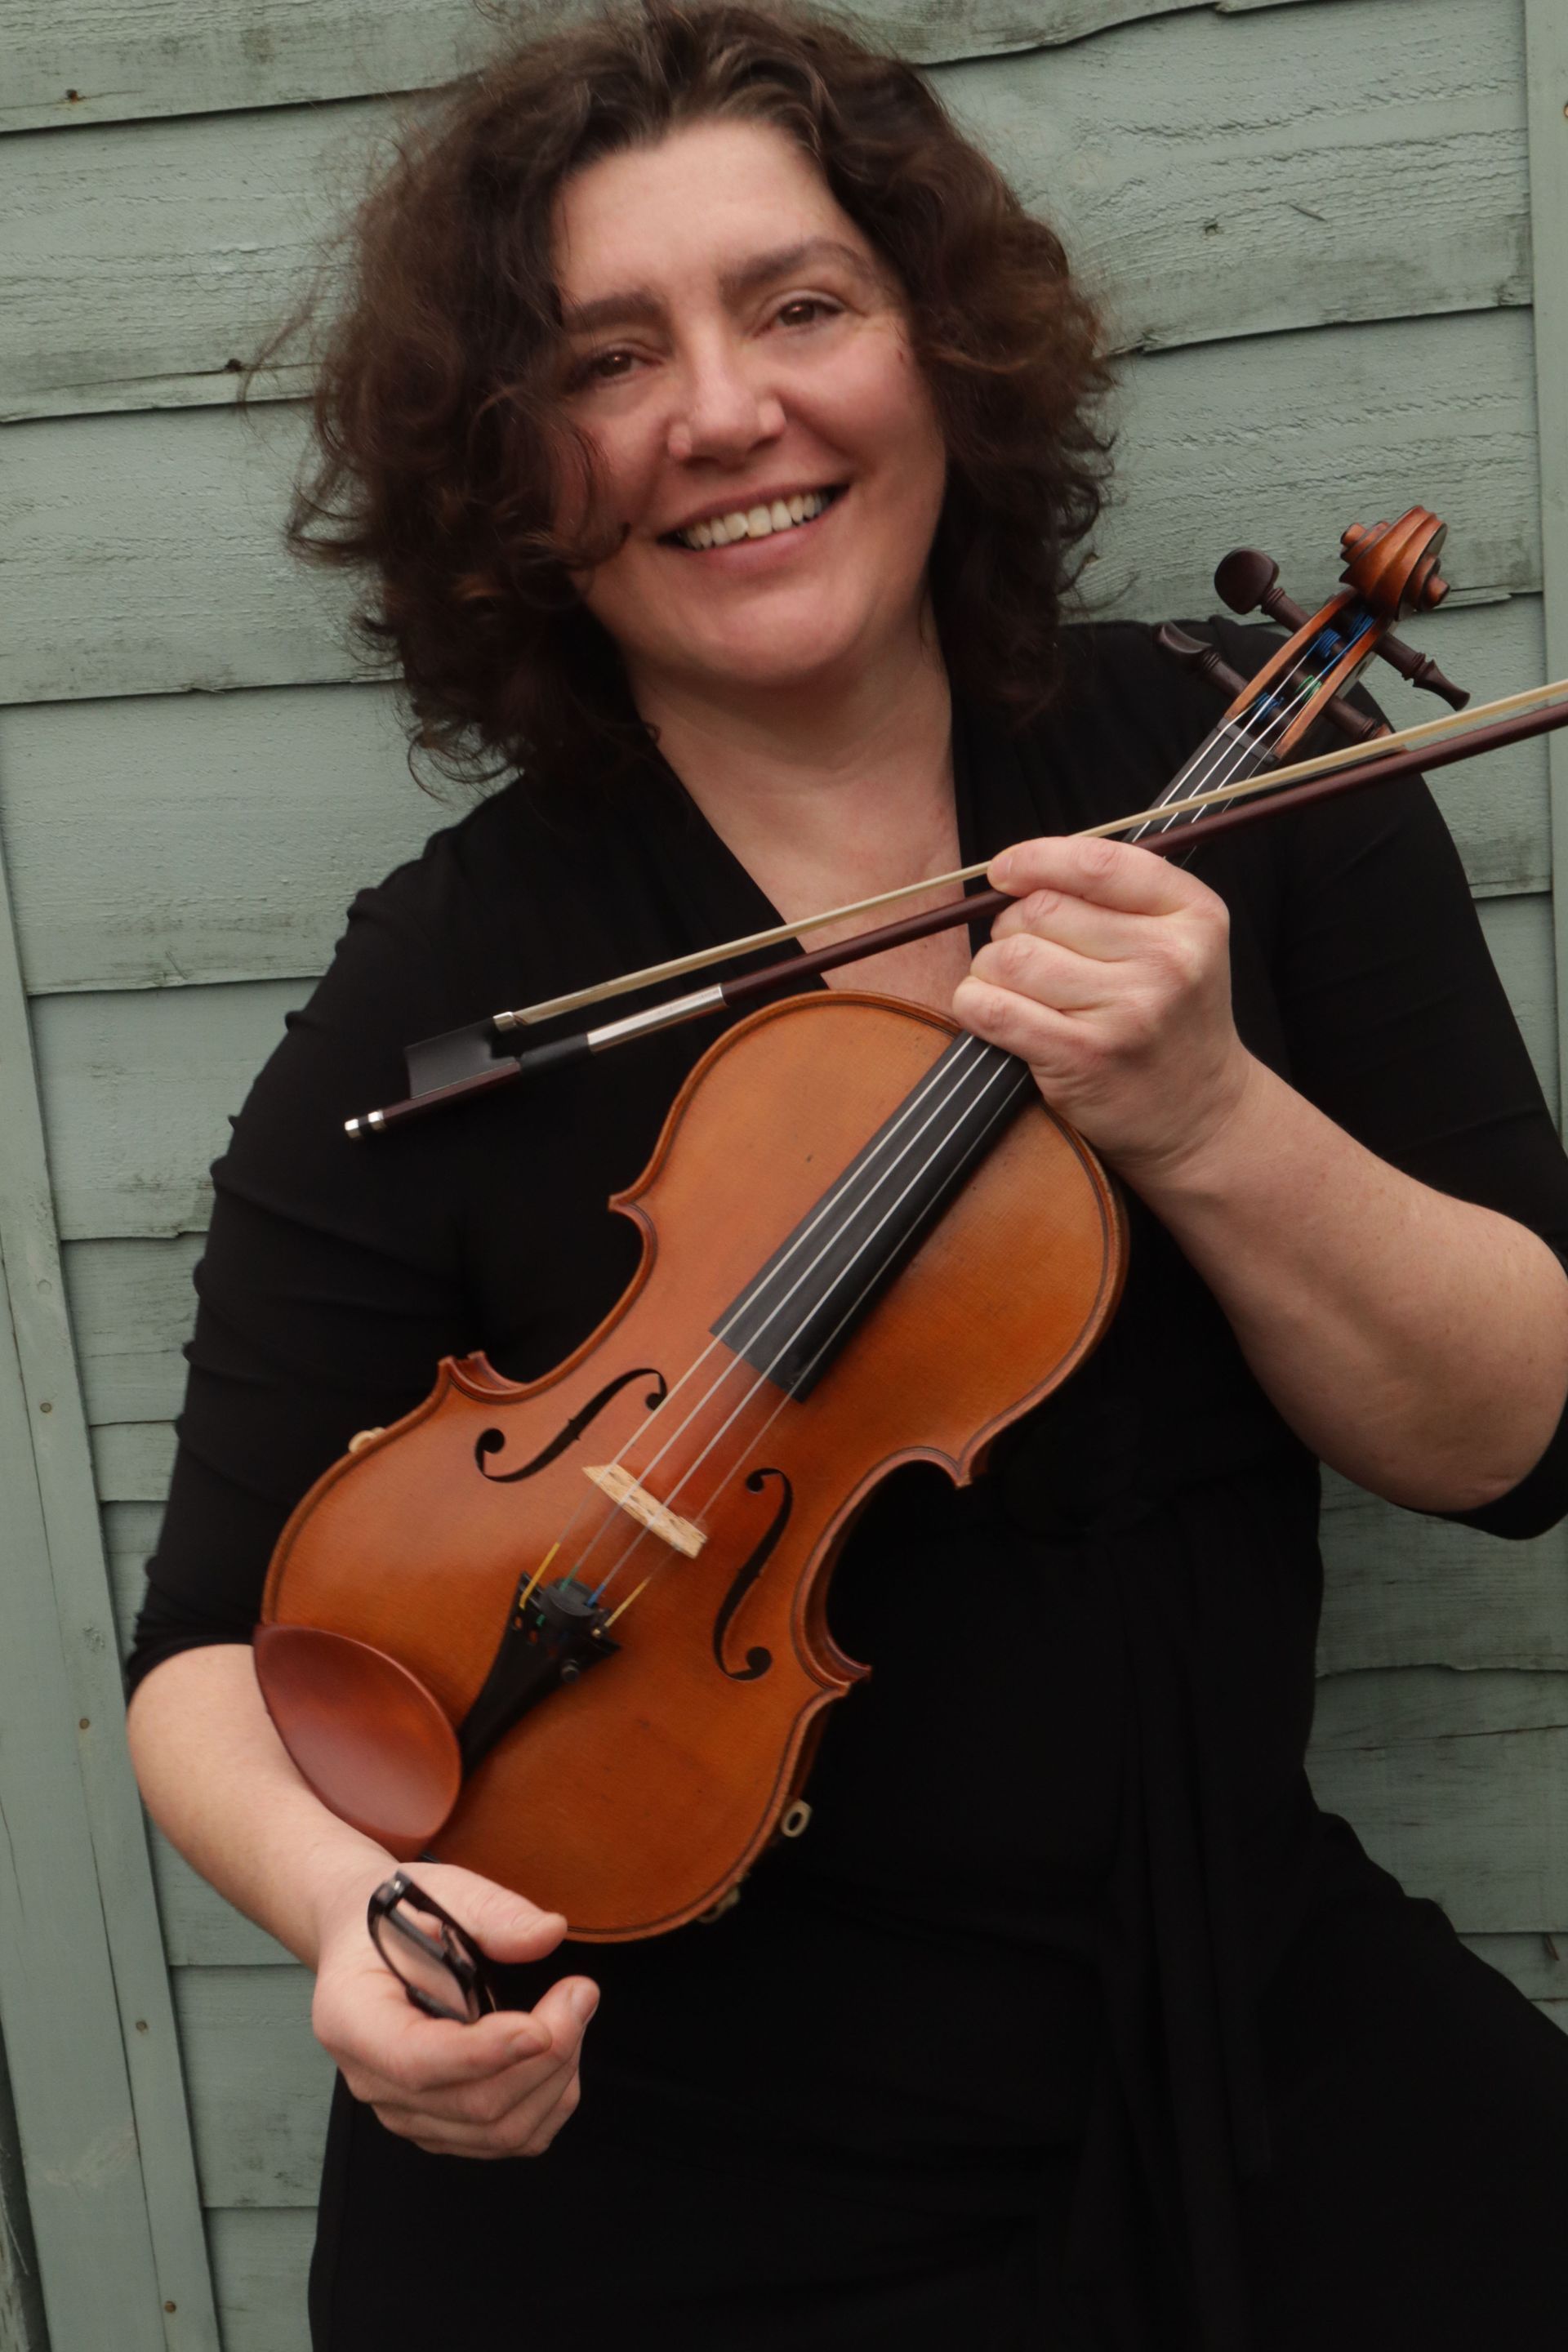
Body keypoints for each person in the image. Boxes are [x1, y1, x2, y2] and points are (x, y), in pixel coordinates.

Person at [124, 5, 1568, 2346]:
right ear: (514, 473)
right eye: (608, 359)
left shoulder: (1240, 771)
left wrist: (1209, 1114)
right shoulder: (458, 989)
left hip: (1228, 2015)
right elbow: (204, 1653)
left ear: (941, 354)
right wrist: (353, 1920)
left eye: (800, 305)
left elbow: (1514, 1441)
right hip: (678, 2134)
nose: (723, 414)